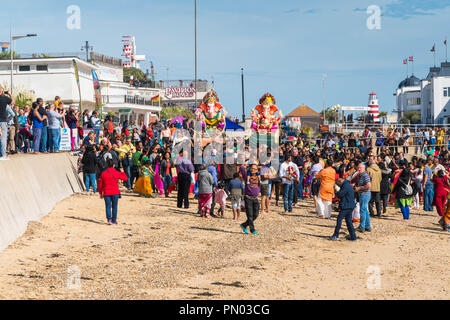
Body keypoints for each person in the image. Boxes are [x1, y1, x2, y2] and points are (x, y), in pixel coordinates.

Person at [98, 158, 128, 225]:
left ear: (106, 165)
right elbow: (125, 178)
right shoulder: (116, 172)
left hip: (106, 192)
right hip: (115, 192)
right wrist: (122, 171)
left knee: (108, 206)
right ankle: (114, 221)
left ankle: (109, 220)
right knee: (114, 207)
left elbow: (100, 185)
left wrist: (100, 193)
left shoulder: (103, 173)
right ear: (113, 165)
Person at [240, 163, 261, 235]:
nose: (253, 170)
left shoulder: (258, 176)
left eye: (254, 169)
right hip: (248, 198)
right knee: (250, 215)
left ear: (257, 170)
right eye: (252, 168)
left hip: (255, 198)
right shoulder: (247, 176)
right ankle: (252, 229)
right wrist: (247, 165)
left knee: (256, 214)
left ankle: (244, 225)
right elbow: (242, 168)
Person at [354, 162, 372, 233]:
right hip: (363, 194)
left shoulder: (365, 175)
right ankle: (367, 226)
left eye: (360, 168)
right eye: (358, 167)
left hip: (365, 194)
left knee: (362, 210)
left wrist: (359, 188)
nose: (359, 169)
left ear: (364, 168)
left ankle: (362, 227)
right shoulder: (360, 175)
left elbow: (368, 185)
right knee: (365, 210)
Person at [0, 86, 13, 160]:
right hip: (2, 121)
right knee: (3, 138)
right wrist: (9, 94)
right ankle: (3, 155)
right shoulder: (4, 98)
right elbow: (12, 102)